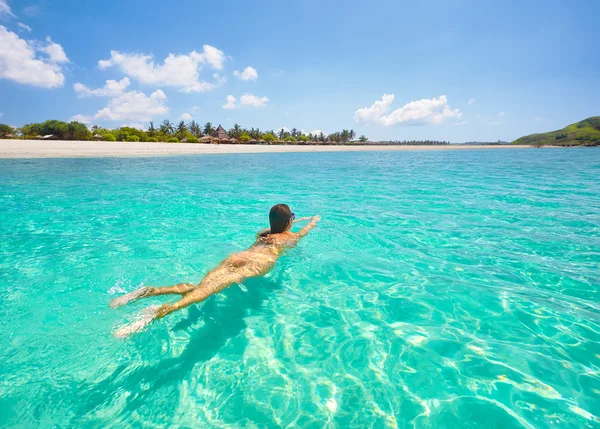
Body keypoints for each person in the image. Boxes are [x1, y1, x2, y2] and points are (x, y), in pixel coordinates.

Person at [111, 204, 320, 336]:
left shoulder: (263, 233)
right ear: (288, 222)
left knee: (201, 286)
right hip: (257, 263)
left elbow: (273, 228)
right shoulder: (289, 237)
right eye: (292, 216)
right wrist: (313, 221)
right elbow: (305, 231)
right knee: (205, 292)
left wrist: (287, 220)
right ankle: (156, 314)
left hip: (239, 256)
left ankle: (151, 291)